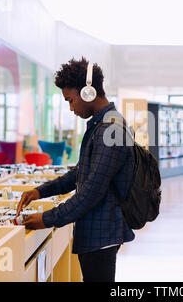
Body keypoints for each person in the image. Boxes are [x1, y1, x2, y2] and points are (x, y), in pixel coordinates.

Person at [16, 57, 135, 282]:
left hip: (102, 234)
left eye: (71, 100)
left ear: (88, 93)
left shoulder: (110, 130)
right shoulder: (102, 125)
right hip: (96, 232)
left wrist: (47, 218)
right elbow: (79, 174)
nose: (71, 108)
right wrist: (39, 191)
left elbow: (91, 192)